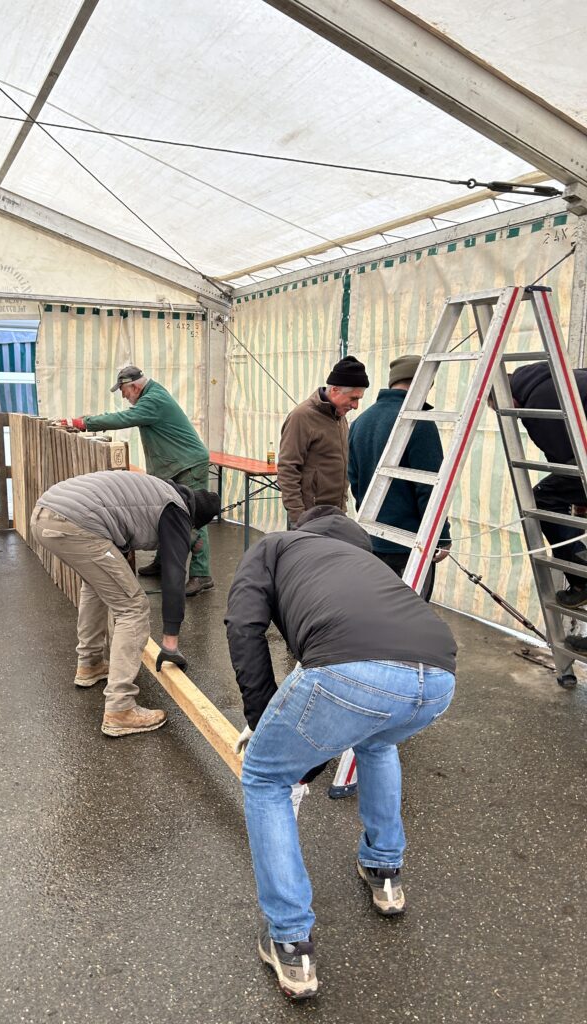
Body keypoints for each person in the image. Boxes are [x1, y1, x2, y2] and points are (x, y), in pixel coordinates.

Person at [224, 505, 456, 1000]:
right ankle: (384, 871)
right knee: (378, 740)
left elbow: (243, 627)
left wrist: (263, 722)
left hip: (350, 668)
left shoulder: (274, 546)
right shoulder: (368, 563)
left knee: (265, 778)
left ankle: (290, 940)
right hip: (438, 677)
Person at [31, 470, 220, 737]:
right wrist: (170, 643)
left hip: (45, 513)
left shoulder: (156, 491)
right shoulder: (177, 511)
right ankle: (120, 709)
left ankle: (90, 664)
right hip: (75, 522)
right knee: (133, 608)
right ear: (193, 519)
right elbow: (174, 577)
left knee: (96, 586)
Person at [67, 365, 214, 596]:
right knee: (167, 510)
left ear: (134, 387)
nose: (123, 396)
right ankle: (162, 563)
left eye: (123, 391)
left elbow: (124, 418)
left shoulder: (153, 400)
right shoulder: (151, 396)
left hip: (189, 464)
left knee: (194, 518)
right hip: (176, 464)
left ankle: (201, 574)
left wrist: (86, 423)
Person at [348, 353, 451, 600]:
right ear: (424, 382)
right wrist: (442, 536)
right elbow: (430, 487)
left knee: (375, 610)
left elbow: (355, 481)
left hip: (370, 540)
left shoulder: (361, 422)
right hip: (409, 545)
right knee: (412, 614)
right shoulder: (420, 422)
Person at [500, 362, 587, 611]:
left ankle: (582, 577)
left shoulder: (536, 404)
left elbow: (563, 460)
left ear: (508, 399)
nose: (514, 418)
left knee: (542, 500)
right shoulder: (559, 375)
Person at [277, 355, 369, 525]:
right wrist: (299, 518)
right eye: (353, 398)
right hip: (310, 517)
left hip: (335, 514)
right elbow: (287, 469)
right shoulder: (302, 416)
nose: (356, 406)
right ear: (335, 390)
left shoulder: (339, 417)